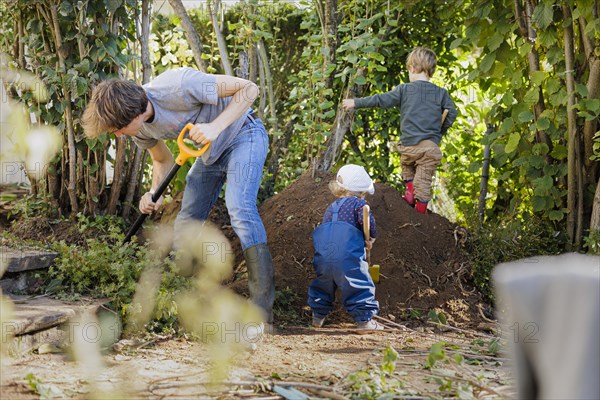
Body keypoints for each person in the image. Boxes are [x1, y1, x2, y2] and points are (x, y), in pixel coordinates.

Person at [82, 68, 275, 326]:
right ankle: (181, 301)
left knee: (239, 206)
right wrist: (153, 192)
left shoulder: (178, 87)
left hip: (244, 134)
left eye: (118, 128)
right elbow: (162, 159)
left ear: (134, 113)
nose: (117, 135)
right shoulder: (139, 130)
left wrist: (215, 127)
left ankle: (262, 314)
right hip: (208, 153)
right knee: (187, 219)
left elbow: (249, 88)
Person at [342, 47, 457, 214]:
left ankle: (410, 194)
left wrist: (355, 102)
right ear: (430, 71)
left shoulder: (404, 89)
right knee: (423, 182)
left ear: (412, 68)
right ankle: (420, 212)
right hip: (429, 148)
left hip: (408, 147)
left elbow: (381, 99)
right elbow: (452, 113)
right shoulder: (441, 93)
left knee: (407, 165)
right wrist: (439, 132)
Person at [308, 164, 383, 331]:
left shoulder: (331, 207)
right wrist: (370, 239)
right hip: (347, 257)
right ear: (363, 192)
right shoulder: (360, 206)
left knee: (323, 283)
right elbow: (368, 225)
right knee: (357, 282)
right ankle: (364, 321)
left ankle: (318, 316)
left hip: (324, 255)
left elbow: (329, 229)